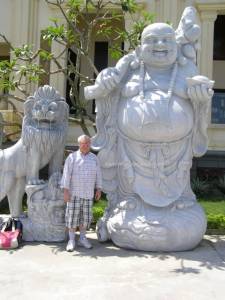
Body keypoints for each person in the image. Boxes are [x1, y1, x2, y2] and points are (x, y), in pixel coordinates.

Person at [84, 7, 214, 251]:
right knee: (128, 217)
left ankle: (172, 213)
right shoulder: (129, 71)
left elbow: (200, 111)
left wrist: (200, 101)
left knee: (188, 226)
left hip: (176, 161)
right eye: (152, 41)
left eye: (166, 40)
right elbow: (104, 93)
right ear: (140, 48)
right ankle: (127, 212)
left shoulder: (186, 72)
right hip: (130, 159)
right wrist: (107, 81)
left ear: (176, 46)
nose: (160, 45)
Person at [61, 135, 102, 251]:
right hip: (74, 194)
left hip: (88, 193)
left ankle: (83, 238)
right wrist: (65, 191)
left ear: (90, 145)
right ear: (79, 144)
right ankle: (72, 240)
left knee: (85, 218)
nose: (85, 145)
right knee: (72, 218)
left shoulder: (94, 158)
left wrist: (98, 189)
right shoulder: (72, 157)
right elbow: (66, 175)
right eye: (83, 143)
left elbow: (98, 174)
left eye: (87, 143)